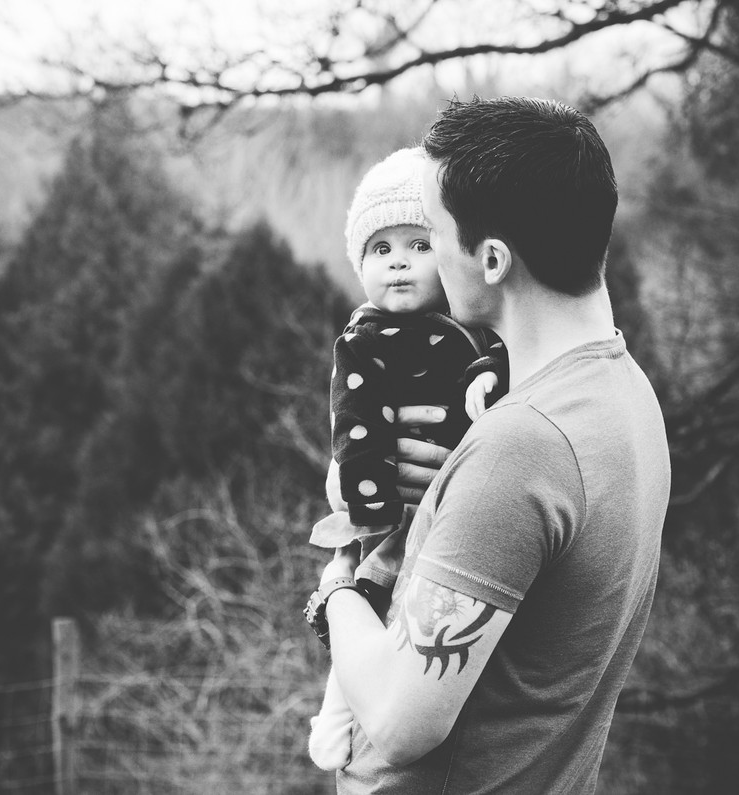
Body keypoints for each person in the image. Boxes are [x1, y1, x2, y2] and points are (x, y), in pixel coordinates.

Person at [304, 97, 671, 793]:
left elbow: (399, 719)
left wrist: (338, 587)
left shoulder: (519, 448)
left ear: (492, 258)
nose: (422, 255)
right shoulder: (624, 393)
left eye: (433, 233)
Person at [307, 146, 507, 771]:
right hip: (389, 507)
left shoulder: (471, 326)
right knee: (371, 602)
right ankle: (337, 712)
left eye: (420, 246)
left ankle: (395, 712)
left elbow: (504, 360)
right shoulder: (363, 341)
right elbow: (356, 425)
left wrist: (489, 376)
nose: (399, 262)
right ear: (360, 264)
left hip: (455, 511)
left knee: (424, 626)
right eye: (381, 249)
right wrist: (366, 499)